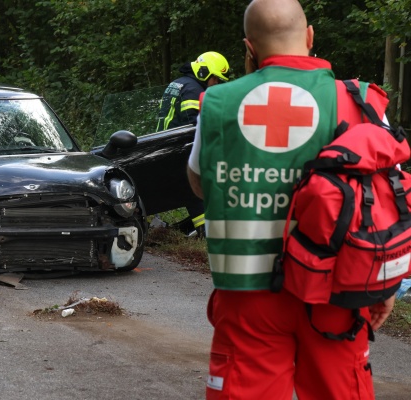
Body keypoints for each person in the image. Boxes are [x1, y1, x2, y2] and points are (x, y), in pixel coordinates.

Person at [186, 0, 395, 399]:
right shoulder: (361, 101)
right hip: (337, 292)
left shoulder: (219, 103)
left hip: (248, 296)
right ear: (310, 36)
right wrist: (385, 284)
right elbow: (392, 203)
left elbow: (199, 185)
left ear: (249, 47)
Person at [156, 52, 229, 236]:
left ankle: (199, 227)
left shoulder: (180, 83)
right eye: (215, 79)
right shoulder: (193, 90)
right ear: (205, 72)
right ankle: (206, 230)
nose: (216, 84)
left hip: (163, 144)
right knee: (196, 183)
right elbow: (194, 125)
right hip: (177, 147)